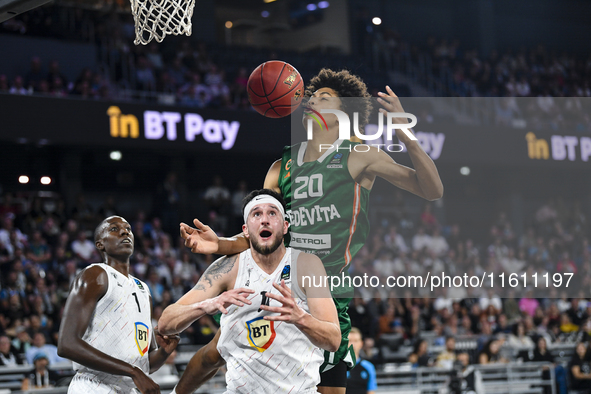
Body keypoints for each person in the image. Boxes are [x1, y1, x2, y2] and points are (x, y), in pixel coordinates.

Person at [177, 69, 444, 394]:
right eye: (312, 97)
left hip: (325, 293)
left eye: (325, 97)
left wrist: (404, 131)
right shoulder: (282, 166)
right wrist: (218, 243)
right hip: (277, 284)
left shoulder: (360, 154)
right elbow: (262, 236)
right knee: (213, 353)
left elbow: (432, 189)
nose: (313, 100)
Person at [159, 190, 340, 393]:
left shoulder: (306, 264)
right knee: (213, 352)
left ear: (285, 226)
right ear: (245, 230)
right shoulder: (228, 268)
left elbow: (333, 340)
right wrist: (206, 305)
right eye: (256, 214)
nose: (264, 220)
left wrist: (301, 318)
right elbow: (166, 323)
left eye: (272, 213)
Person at [57, 216, 179, 394]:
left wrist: (164, 352)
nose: (124, 232)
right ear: (100, 244)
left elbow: (145, 365)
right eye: (114, 229)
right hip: (92, 386)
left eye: (128, 229)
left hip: (128, 389)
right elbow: (67, 344)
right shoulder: (95, 274)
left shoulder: (144, 290)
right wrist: (133, 372)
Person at [346, 327, 377, 394]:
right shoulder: (339, 366)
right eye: (350, 340)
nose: (353, 344)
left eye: (356, 341)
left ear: (361, 343)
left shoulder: (368, 366)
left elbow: (371, 391)